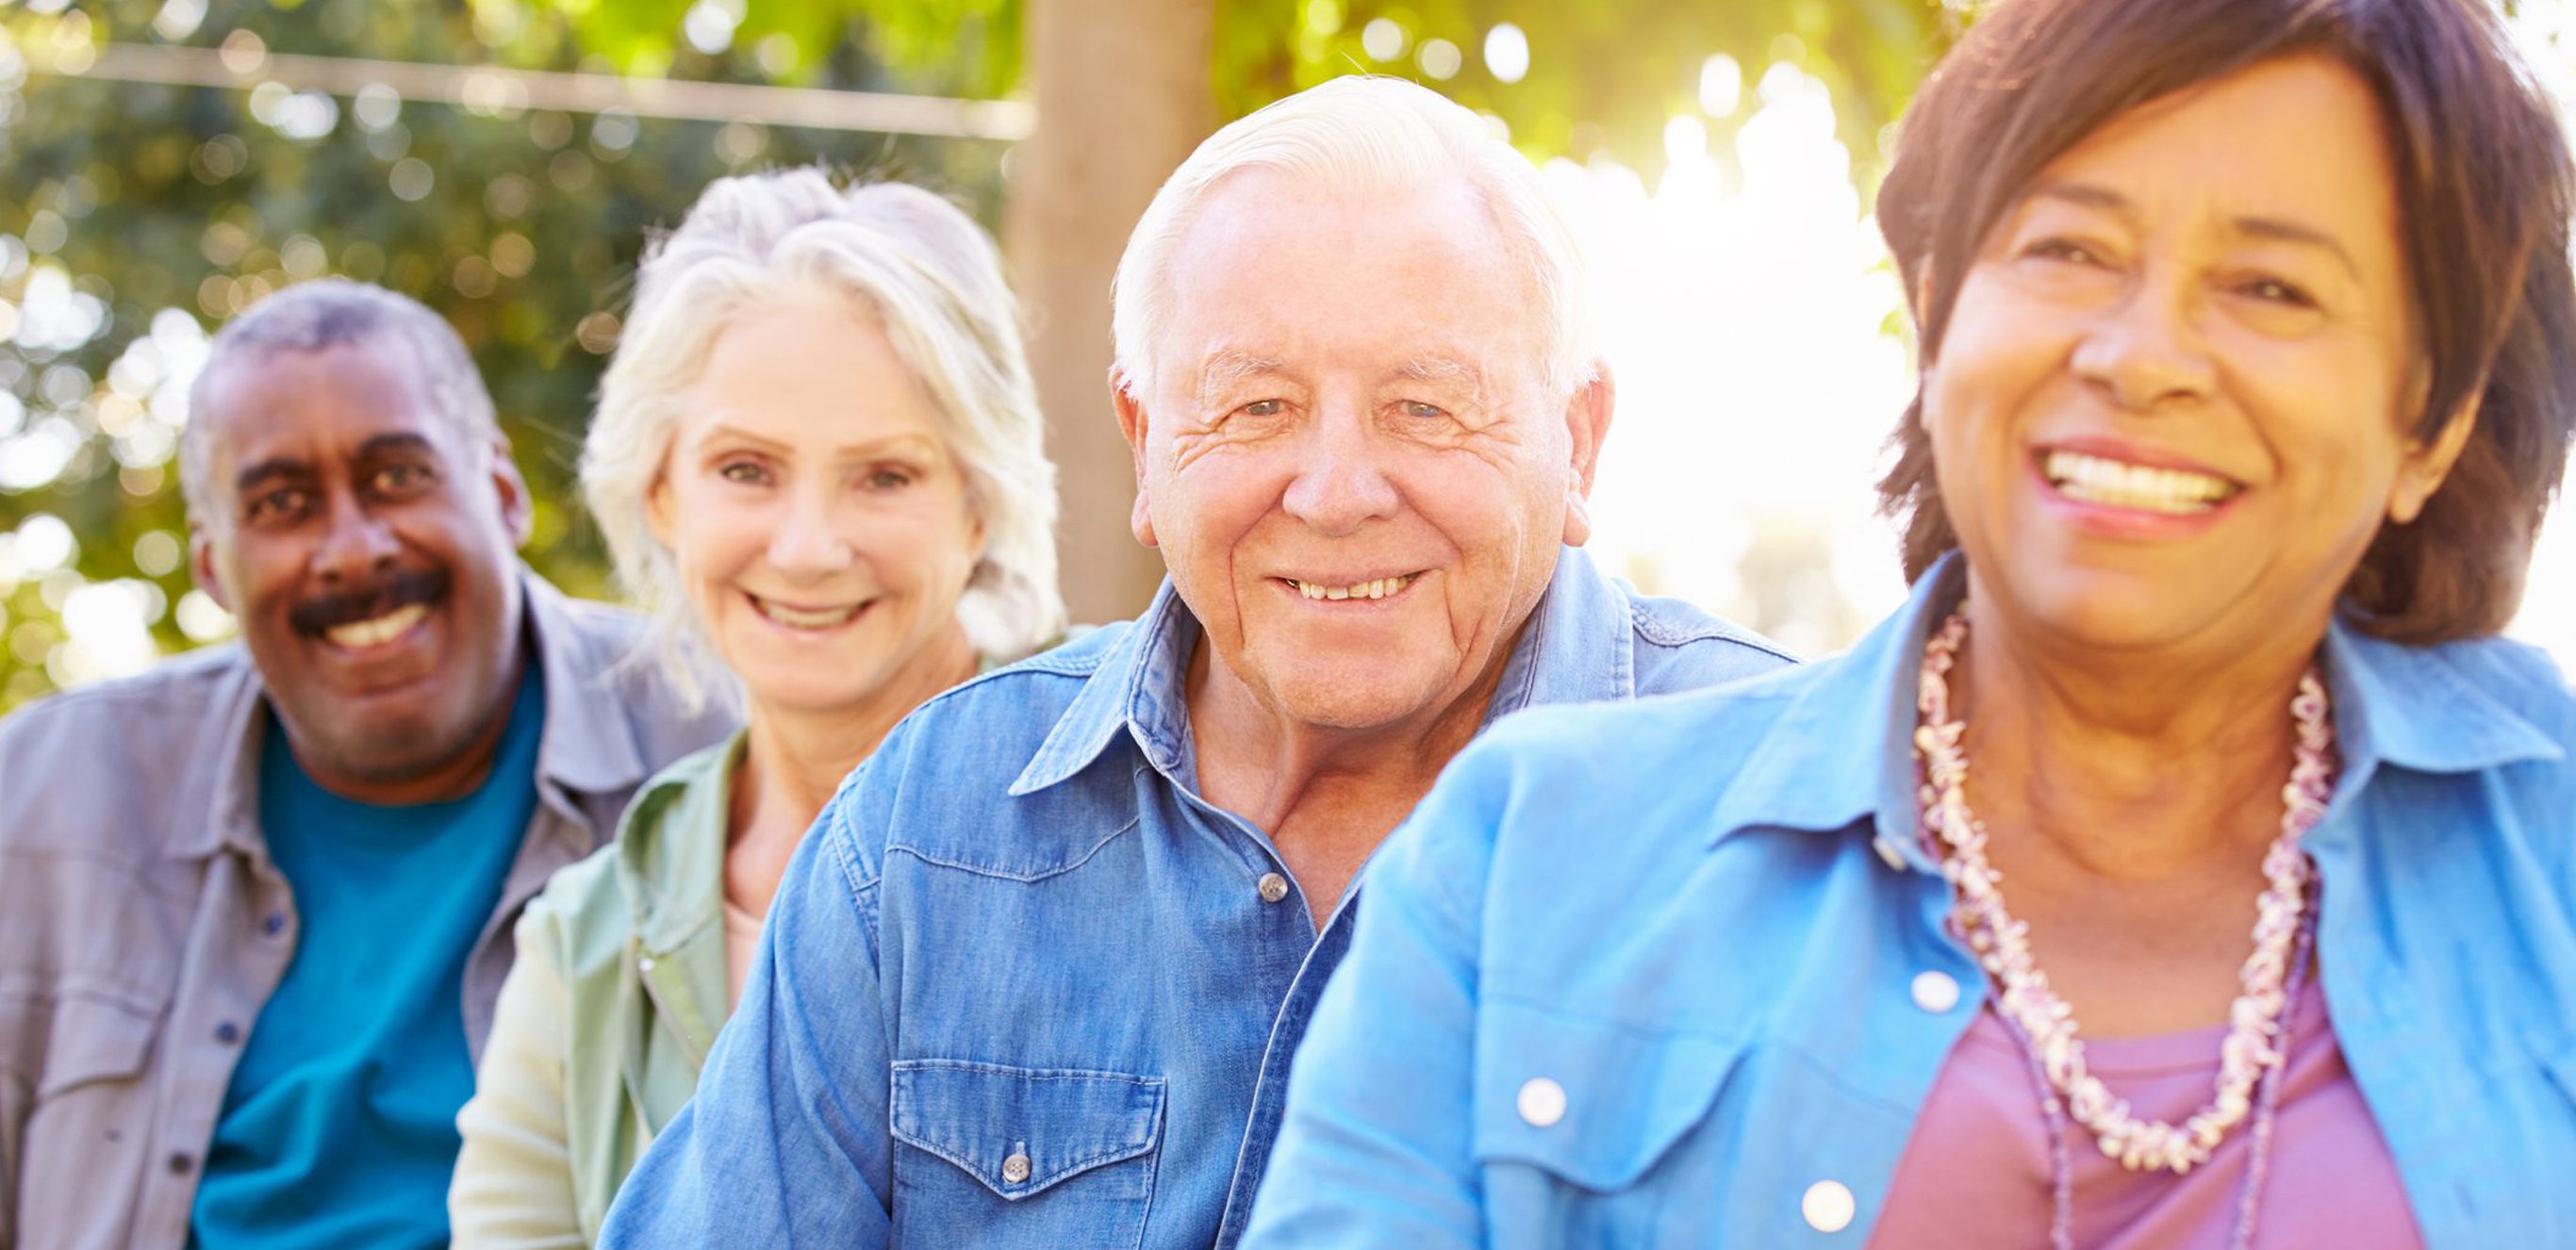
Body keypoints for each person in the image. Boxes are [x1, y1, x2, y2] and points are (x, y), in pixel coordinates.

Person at [1242, 0, 2576, 1246]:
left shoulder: (2549, 853)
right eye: (2070, 248)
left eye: (2272, 288)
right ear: (1935, 312)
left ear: (2432, 419)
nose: (2141, 353)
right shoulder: (1528, 857)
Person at [596, 75, 1792, 1249]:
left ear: (1575, 442)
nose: (1333, 494)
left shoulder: (1789, 815)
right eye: (1256, 407)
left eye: (1426, 408)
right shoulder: (927, 829)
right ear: (1143, 444)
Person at [0, 280, 732, 1250]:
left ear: (503, 493)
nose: (350, 548)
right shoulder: (47, 794)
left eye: (397, 477)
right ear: (214, 566)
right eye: (283, 502)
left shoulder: (714, 740)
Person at [447, 170, 1065, 1248]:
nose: (809, 548)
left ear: (979, 504)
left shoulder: (1155, 822)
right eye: (745, 470)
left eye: (883, 476)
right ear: (659, 494)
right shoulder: (585, 947)